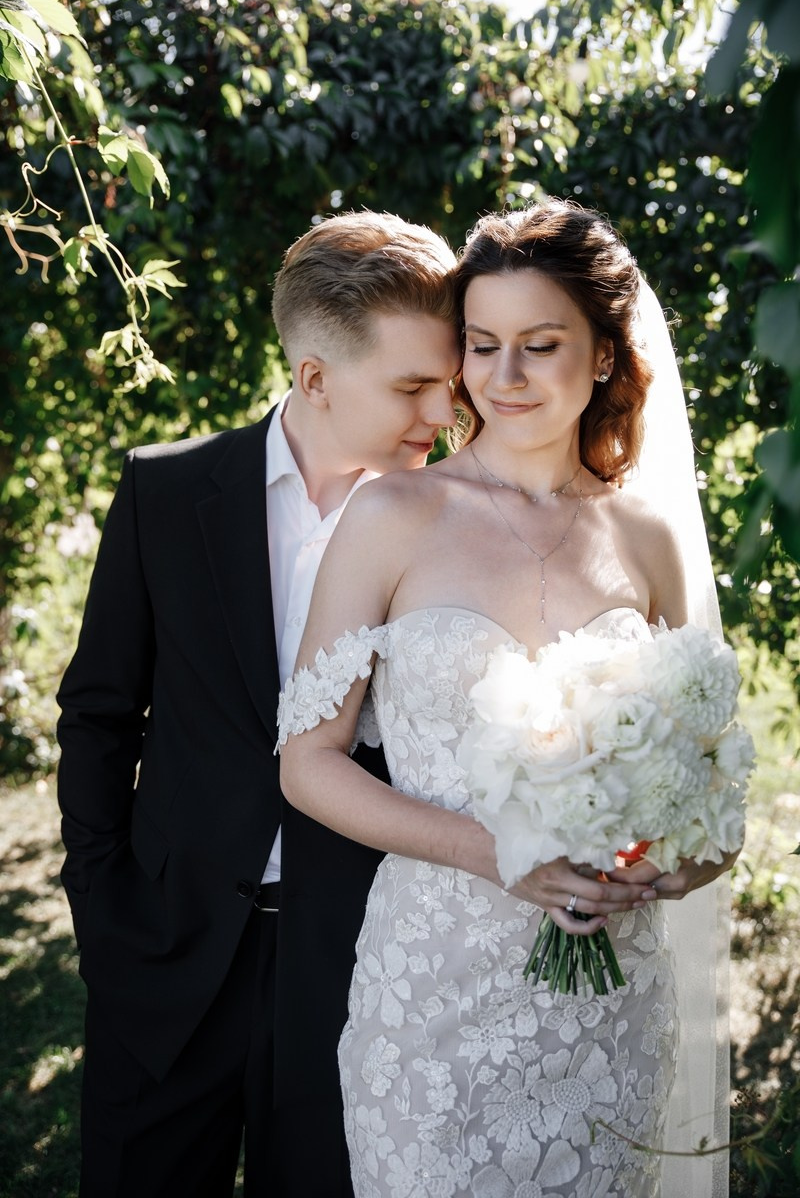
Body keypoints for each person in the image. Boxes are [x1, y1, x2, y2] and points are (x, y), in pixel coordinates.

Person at [278, 199, 737, 1197]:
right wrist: (494, 853)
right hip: (434, 996)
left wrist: (669, 865)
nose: (504, 376)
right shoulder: (393, 512)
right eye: (482, 345)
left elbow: (711, 787)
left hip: (609, 1005)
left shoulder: (647, 536)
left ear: (604, 355)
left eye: (540, 345)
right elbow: (307, 764)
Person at [56, 210, 462, 1198]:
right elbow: (99, 713)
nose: (442, 414)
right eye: (411, 386)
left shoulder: (455, 529)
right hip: (165, 952)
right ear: (315, 377)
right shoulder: (164, 491)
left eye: (447, 383)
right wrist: (103, 909)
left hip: (359, 965)